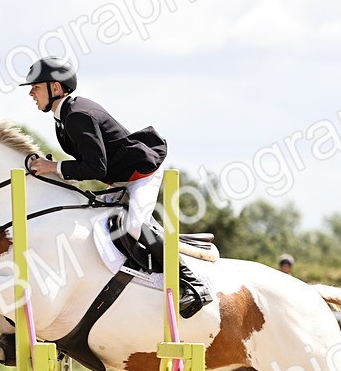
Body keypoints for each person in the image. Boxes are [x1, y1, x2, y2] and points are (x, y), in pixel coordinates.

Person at [19, 56, 212, 318]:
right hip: (118, 178)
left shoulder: (77, 116)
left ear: (56, 88)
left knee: (133, 225)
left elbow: (95, 168)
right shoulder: (64, 116)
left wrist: (53, 168)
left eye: (36, 87)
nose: (31, 93)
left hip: (141, 175)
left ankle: (191, 284)